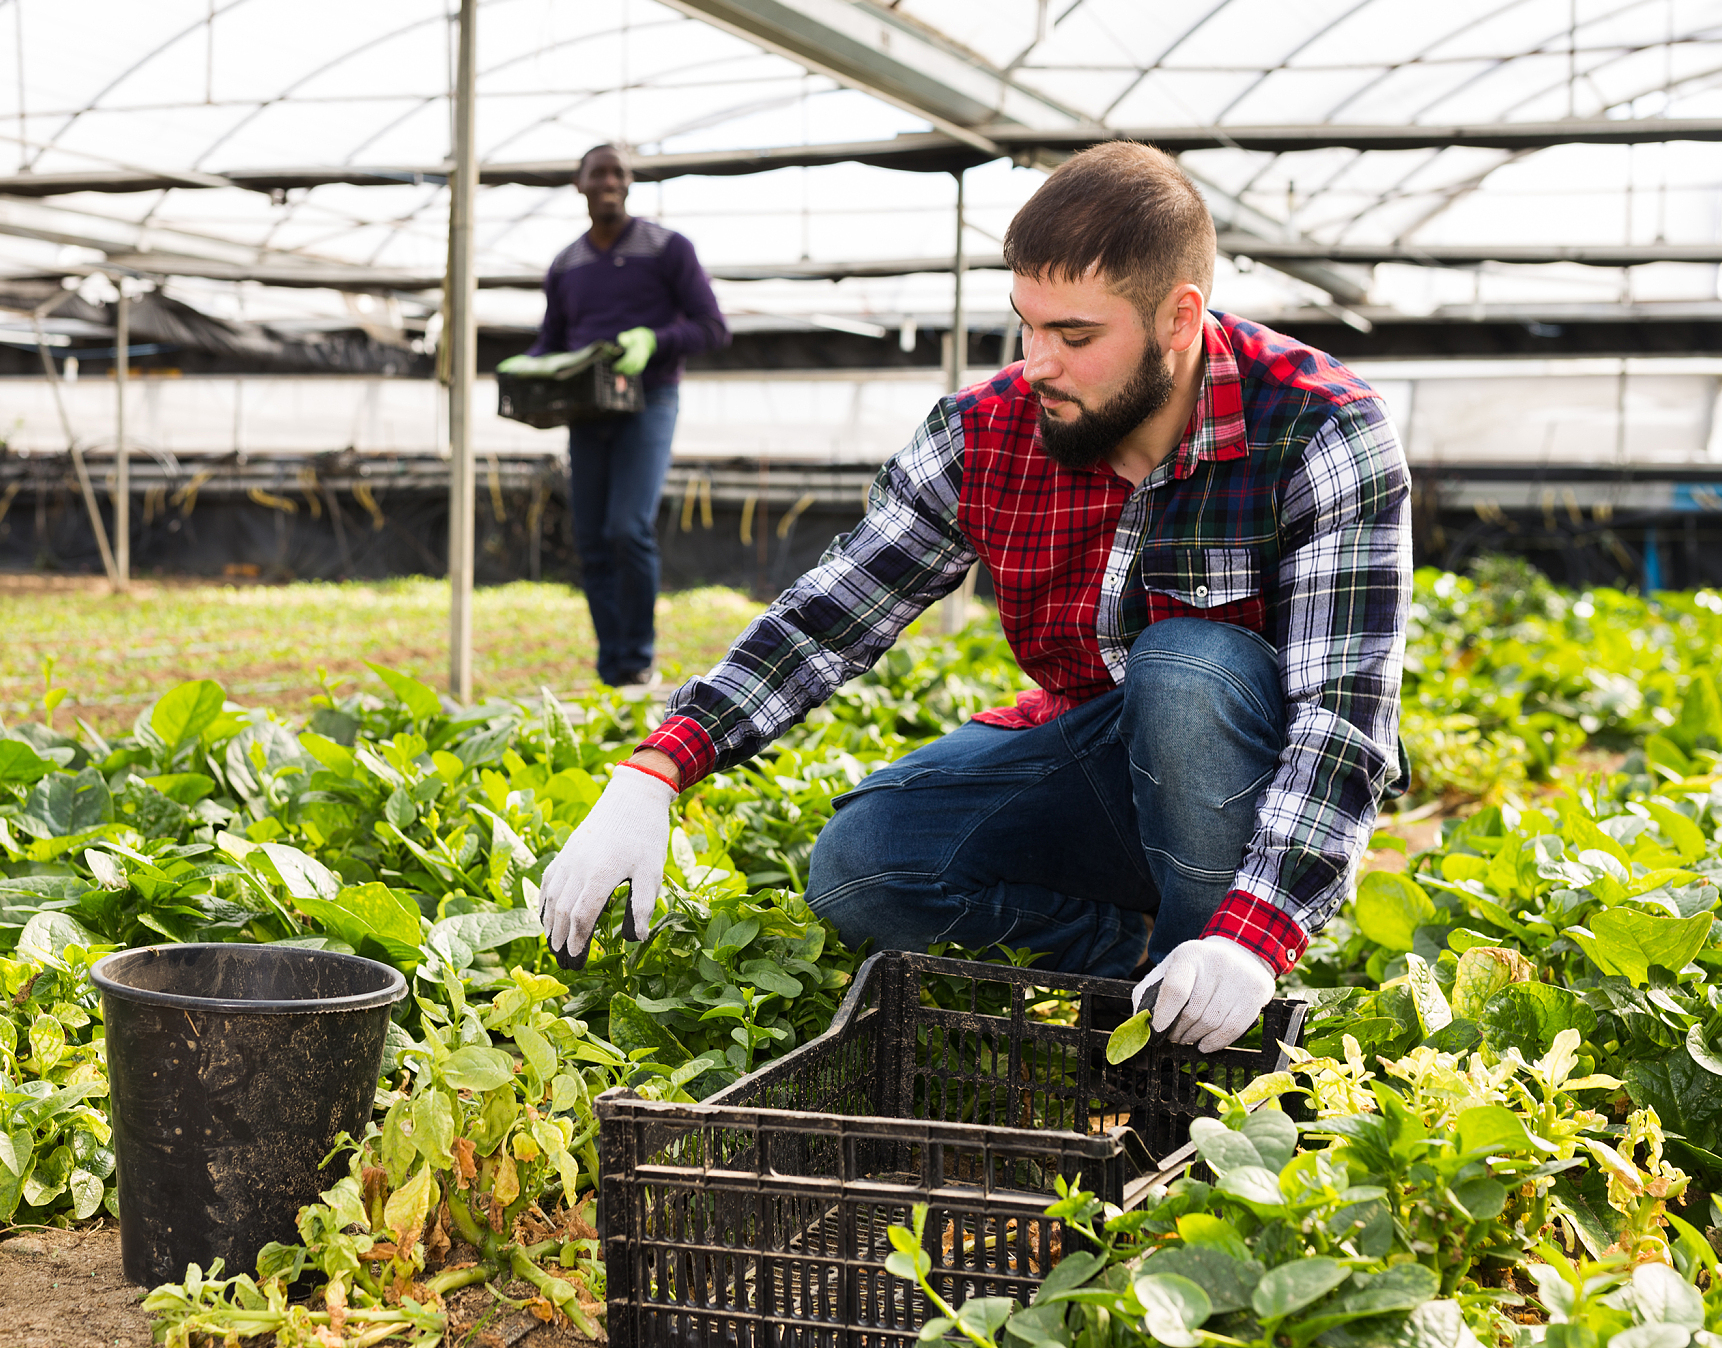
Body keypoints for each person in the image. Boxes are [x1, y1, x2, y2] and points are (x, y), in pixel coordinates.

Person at [537, 142, 1409, 1054]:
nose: (1037, 363)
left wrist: (1253, 935)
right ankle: (1146, 962)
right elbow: (830, 615)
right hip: (1092, 756)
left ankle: (1212, 1007)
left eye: (1074, 337)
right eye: (1026, 326)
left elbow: (1344, 716)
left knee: (1189, 667)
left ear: (1178, 318)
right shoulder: (987, 431)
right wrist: (659, 766)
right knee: (859, 868)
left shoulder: (1320, 429)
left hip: (1239, 778)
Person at [505, 143, 731, 687]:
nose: (608, 182)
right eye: (597, 173)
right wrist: (528, 365)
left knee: (628, 528)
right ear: (579, 184)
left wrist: (653, 339)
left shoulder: (667, 248)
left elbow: (712, 328)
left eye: (618, 173)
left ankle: (639, 660)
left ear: (629, 184)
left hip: (648, 401)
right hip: (587, 410)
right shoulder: (567, 264)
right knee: (592, 539)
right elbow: (554, 340)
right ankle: (615, 668)